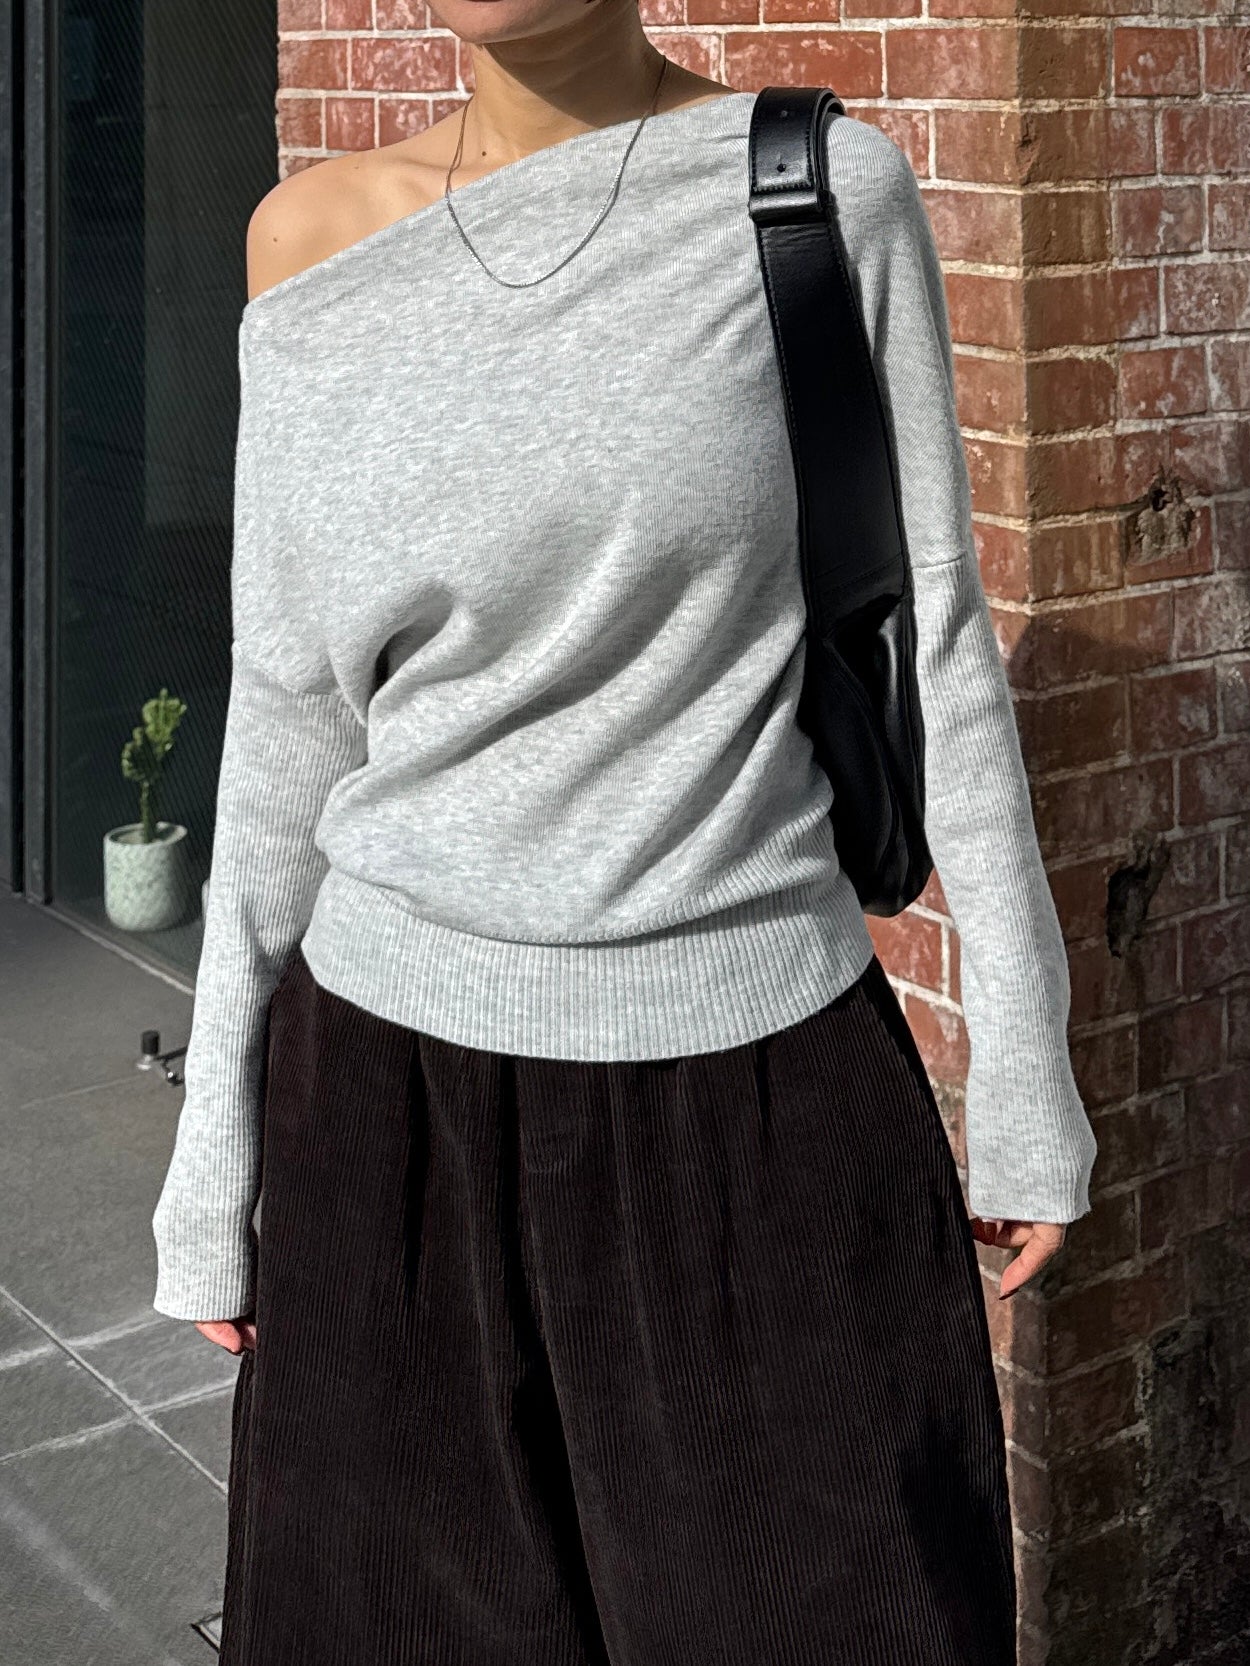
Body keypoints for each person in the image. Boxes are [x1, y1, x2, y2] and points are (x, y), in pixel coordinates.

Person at [150, 0, 1098, 1660]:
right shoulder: (305, 245)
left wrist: (1024, 1065)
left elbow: (939, 643)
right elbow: (288, 710)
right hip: (382, 1115)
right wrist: (212, 1139)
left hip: (754, 1107)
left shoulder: (813, 195)